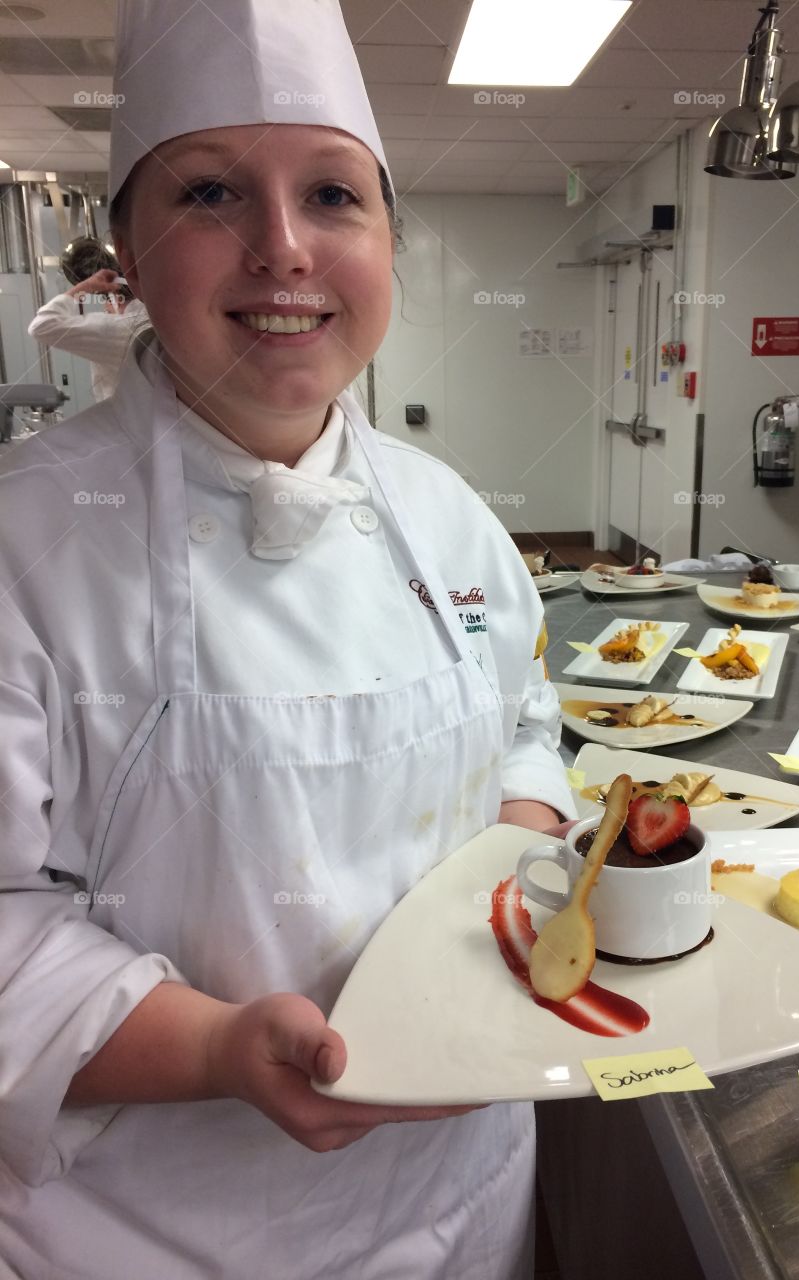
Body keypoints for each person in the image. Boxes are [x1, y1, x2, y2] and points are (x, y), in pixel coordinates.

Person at [0, 1, 574, 1277]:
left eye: (332, 195)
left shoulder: (450, 515)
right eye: (210, 194)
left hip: (466, 1203)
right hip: (142, 1234)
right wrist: (213, 1050)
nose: (281, 250)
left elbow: (530, 723)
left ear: (388, 246)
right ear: (128, 261)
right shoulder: (27, 542)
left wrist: (515, 869)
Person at [27, 237, 149, 401]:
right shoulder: (153, 321)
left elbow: (42, 325)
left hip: (123, 420)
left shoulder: (116, 330)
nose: (105, 309)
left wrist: (85, 287)